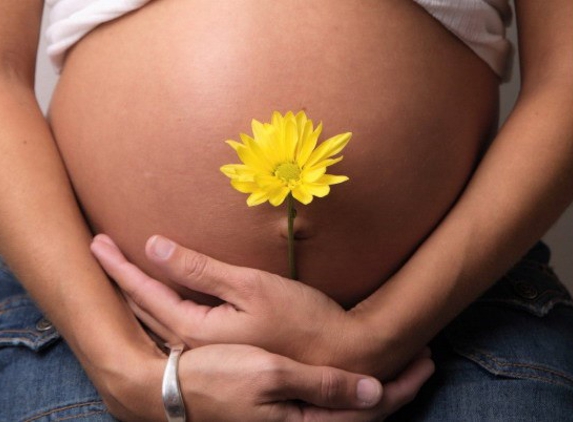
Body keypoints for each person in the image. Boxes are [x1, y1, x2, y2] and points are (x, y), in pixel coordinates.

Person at [1, 0, 572, 421]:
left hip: (455, 326)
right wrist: (124, 368)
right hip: (93, 330)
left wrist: (381, 332)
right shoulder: (113, 356)